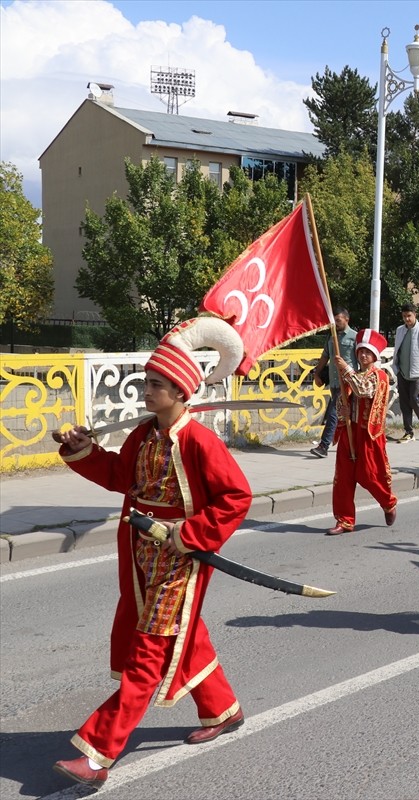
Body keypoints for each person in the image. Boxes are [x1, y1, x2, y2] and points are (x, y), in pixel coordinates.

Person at [50, 318, 252, 790]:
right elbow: (122, 478)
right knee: (186, 636)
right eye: (146, 381)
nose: (146, 390)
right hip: (142, 560)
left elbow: (236, 497)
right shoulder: (144, 434)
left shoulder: (200, 441)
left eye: (156, 384)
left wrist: (190, 533)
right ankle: (223, 708)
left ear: (181, 392)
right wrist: (84, 451)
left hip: (179, 562)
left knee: (148, 656)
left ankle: (98, 754)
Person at [327, 329, 399, 535]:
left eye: (367, 352)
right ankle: (345, 520)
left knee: (369, 475)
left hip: (368, 434)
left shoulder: (380, 376)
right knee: (343, 477)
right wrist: (344, 408)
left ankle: (388, 502)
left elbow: (364, 390)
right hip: (350, 431)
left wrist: (346, 371)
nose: (363, 356)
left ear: (374, 356)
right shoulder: (353, 375)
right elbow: (344, 401)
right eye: (361, 352)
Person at [310, 307, 357, 458]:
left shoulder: (354, 337)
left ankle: (324, 446)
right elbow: (325, 356)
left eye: (338, 320)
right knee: (343, 415)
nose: (335, 324)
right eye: (333, 321)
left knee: (333, 414)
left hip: (348, 383)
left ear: (346, 319)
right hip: (335, 382)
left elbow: (362, 358)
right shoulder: (331, 337)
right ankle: (351, 445)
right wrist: (317, 373)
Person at [393, 302, 419, 442]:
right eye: (404, 316)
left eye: (409, 316)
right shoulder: (400, 330)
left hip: (418, 373)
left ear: (415, 315)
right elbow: (397, 350)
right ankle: (409, 432)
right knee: (404, 403)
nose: (407, 319)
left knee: (415, 400)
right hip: (402, 372)